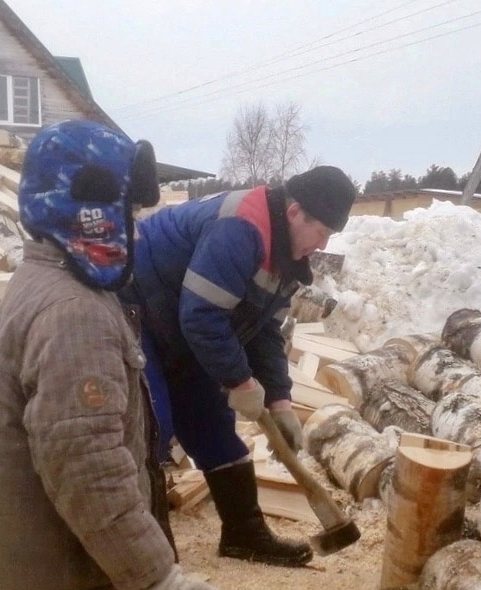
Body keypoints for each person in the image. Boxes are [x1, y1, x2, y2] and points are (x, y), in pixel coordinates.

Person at [0, 120, 228, 590]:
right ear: (90, 208)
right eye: (128, 212)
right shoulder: (72, 310)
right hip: (37, 564)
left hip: (94, 554)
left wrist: (144, 564)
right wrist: (156, 574)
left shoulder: (65, 284)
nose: (133, 228)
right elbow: (87, 463)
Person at [120, 165, 357, 568]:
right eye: (320, 233)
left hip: (183, 321)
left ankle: (243, 533)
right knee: (152, 427)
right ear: (295, 211)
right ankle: (145, 560)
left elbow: (264, 333)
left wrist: (280, 401)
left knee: (212, 425)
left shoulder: (285, 259)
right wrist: (239, 380)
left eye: (329, 237)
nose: (321, 245)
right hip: (138, 307)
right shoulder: (241, 228)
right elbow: (202, 316)